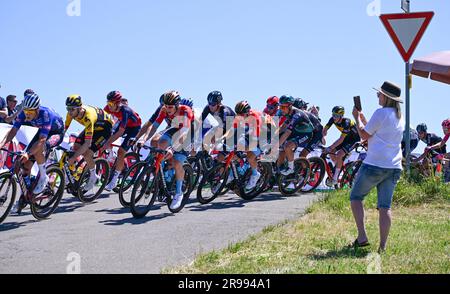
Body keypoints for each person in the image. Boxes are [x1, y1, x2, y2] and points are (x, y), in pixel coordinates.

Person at [350, 81, 404, 253]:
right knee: (384, 207)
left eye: (379, 94)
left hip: (375, 163)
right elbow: (378, 131)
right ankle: (382, 247)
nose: (377, 96)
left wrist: (356, 117)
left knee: (356, 197)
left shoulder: (380, 113)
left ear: (386, 97)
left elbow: (364, 135)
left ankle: (362, 236)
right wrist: (364, 119)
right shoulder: (399, 116)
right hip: (394, 166)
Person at [131, 91, 194, 210]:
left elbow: (184, 132)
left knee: (176, 162)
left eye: (170, 107)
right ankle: (165, 171)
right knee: (160, 143)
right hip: (174, 129)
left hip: (187, 133)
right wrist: (143, 140)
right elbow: (154, 126)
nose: (168, 109)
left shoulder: (185, 111)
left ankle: (178, 193)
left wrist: (172, 148)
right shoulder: (164, 110)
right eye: (166, 106)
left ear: (177, 105)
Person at [0, 93, 65, 195]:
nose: (27, 114)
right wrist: (2, 144)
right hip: (43, 132)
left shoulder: (45, 114)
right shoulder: (23, 114)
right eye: (26, 111)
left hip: (56, 133)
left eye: (30, 112)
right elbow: (13, 131)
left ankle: (44, 177)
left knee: (39, 148)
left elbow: (42, 140)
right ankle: (26, 194)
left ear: (37, 109)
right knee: (26, 167)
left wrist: (28, 154)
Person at [64, 94, 114, 191]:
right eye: (68, 109)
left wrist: (74, 158)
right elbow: (64, 130)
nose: (69, 112)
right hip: (94, 128)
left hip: (104, 131)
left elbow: (87, 143)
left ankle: (93, 176)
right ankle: (75, 172)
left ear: (79, 108)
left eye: (72, 109)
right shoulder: (71, 113)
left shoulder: (88, 117)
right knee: (76, 146)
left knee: (87, 154)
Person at [102, 91, 142, 191]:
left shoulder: (125, 111)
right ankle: (112, 156)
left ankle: (113, 181)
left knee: (121, 152)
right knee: (107, 134)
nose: (109, 106)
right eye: (108, 103)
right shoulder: (108, 108)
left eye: (111, 104)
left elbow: (120, 132)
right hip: (125, 125)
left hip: (134, 128)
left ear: (118, 103)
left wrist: (107, 143)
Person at [275, 95, 314, 176]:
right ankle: (279, 172)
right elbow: (283, 127)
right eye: (280, 107)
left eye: (283, 107)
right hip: (297, 132)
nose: (281, 109)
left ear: (290, 106)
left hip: (306, 134)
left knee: (287, 146)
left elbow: (287, 133)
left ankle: (291, 168)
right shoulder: (288, 112)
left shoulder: (297, 115)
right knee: (281, 149)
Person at [322, 106, 361, 185]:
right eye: (333, 115)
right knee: (331, 152)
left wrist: (330, 147)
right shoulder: (332, 119)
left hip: (354, 139)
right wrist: (323, 135)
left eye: (336, 115)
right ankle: (338, 167)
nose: (334, 117)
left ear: (341, 116)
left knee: (339, 154)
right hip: (346, 138)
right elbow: (325, 130)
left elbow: (341, 140)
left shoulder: (346, 122)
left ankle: (335, 178)